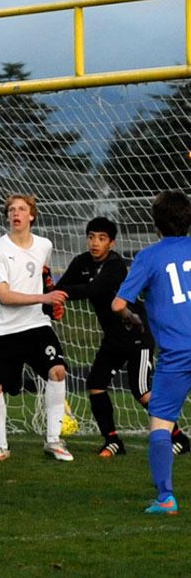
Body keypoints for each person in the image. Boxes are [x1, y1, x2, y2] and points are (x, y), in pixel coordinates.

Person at [56, 216, 189, 457]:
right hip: (112, 338)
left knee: (141, 390)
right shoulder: (81, 262)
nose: (95, 243)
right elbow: (60, 288)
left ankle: (178, 436)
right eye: (91, 237)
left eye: (102, 238)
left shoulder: (115, 264)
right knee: (95, 384)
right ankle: (113, 441)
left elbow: (93, 289)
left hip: (136, 335)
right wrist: (51, 293)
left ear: (112, 243)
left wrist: (63, 293)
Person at [112, 191, 191, 515]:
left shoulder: (149, 256)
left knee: (160, 425)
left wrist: (132, 319)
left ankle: (166, 498)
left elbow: (118, 304)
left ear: (155, 223)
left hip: (176, 355)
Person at [0, 194, 72, 462]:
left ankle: (54, 440)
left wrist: (51, 300)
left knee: (57, 371)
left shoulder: (44, 245)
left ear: (31, 215)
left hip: (36, 325)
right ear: (7, 216)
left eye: (22, 208)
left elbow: (43, 277)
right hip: (2, 329)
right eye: (11, 209)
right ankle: (1, 447)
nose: (16, 213)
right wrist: (45, 298)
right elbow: (4, 297)